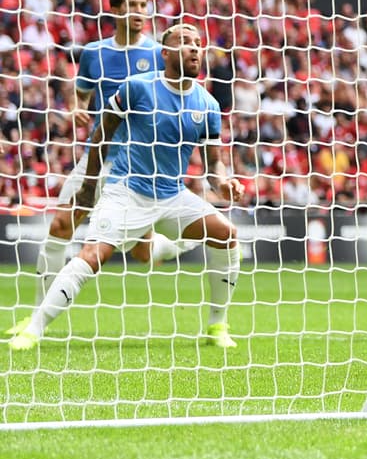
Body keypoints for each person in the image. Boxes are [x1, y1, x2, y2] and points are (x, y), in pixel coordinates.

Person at [9, 24, 243, 351]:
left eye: (198, 43)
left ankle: (217, 326)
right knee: (92, 255)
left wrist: (224, 180)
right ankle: (34, 328)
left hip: (172, 196)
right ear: (165, 53)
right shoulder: (137, 87)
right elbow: (101, 134)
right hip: (126, 190)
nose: (194, 48)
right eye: (184, 42)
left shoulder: (208, 105)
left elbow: (212, 163)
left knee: (226, 234)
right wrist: (90, 187)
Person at [6, 0, 190, 338]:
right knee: (61, 226)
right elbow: (82, 92)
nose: (139, 11)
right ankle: (36, 316)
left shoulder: (158, 53)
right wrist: (76, 108)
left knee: (142, 252)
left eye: (143, 5)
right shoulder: (94, 52)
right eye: (132, 5)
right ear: (117, 10)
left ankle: (174, 246)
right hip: (99, 154)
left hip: (140, 162)